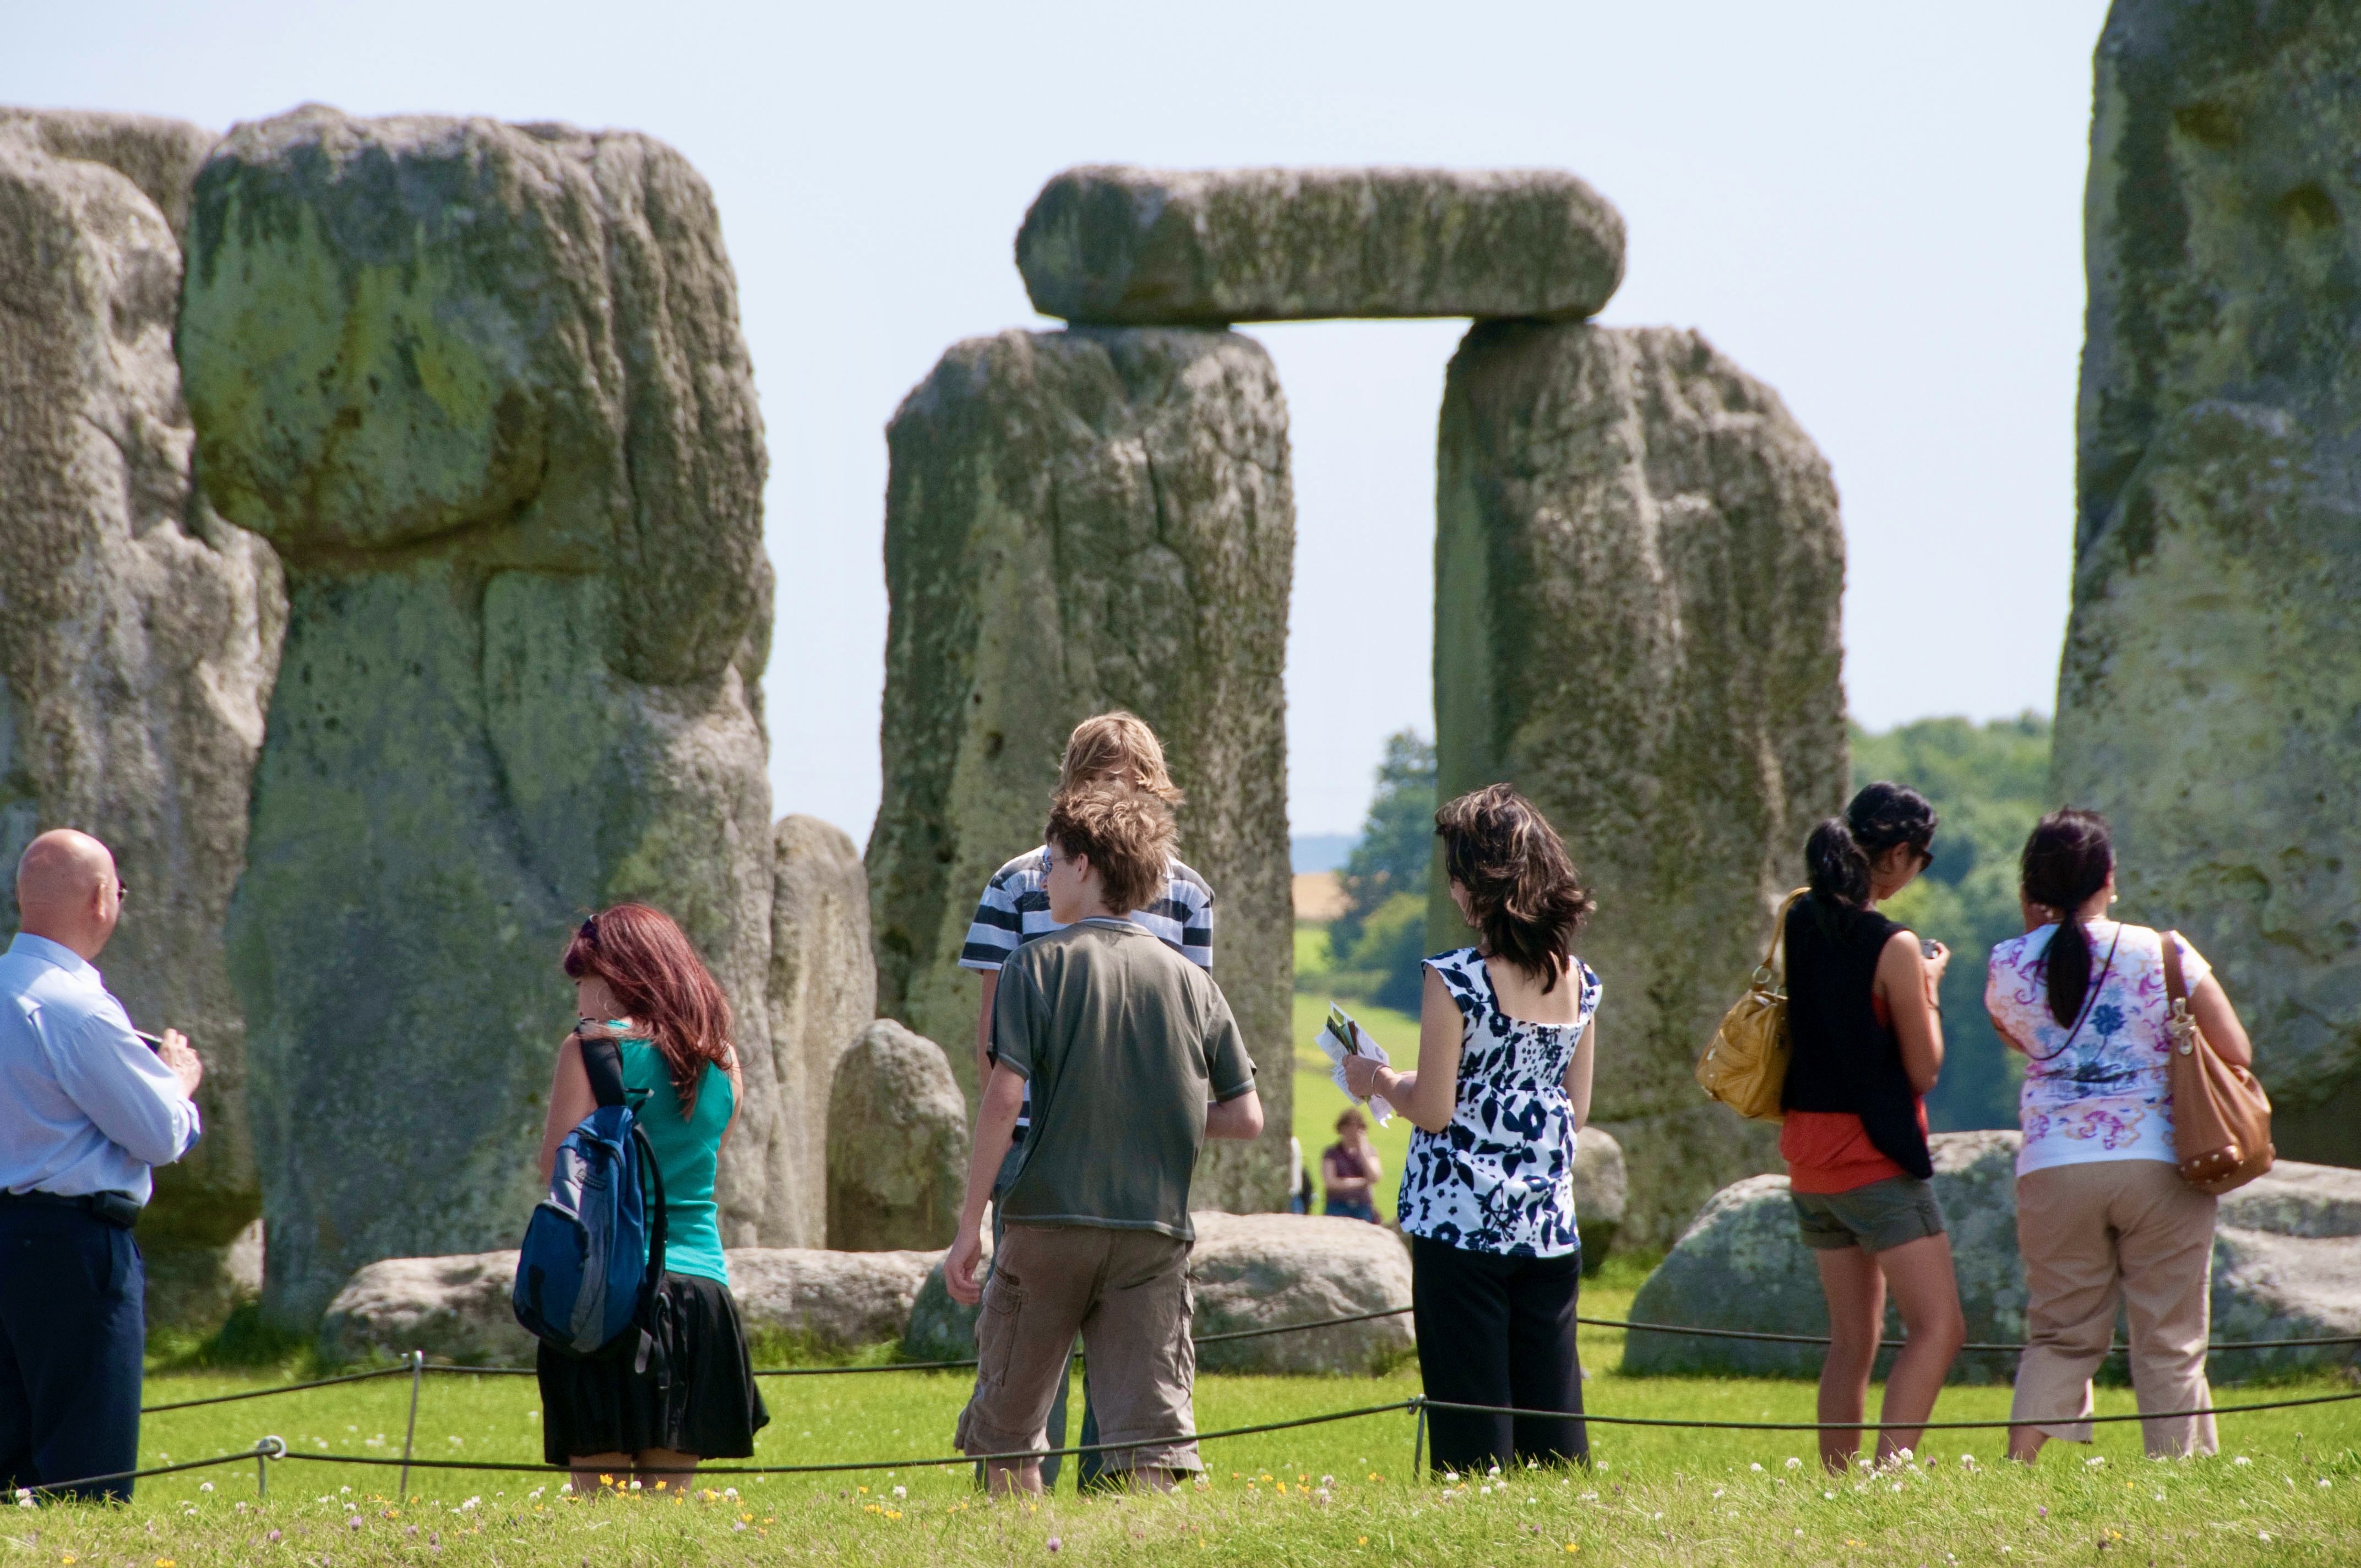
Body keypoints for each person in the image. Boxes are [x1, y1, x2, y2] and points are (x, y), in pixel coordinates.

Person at [945, 783, 1263, 1496]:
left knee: (1011, 1433)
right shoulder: (1195, 984)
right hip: (1153, 1233)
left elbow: (1004, 1096)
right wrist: (1156, 1113)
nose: (1044, 879)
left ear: (1084, 865)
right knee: (1153, 1440)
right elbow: (1246, 1118)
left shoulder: (1033, 965)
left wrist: (970, 1225)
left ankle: (1017, 1544)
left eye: (1052, 863)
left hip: (1047, 1222)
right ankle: (1154, 1544)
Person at [1343, 783, 1598, 1475]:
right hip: (1547, 1222)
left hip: (1458, 1222)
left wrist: (1375, 1078)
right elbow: (1575, 1111)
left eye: (1454, 874)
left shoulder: (1453, 979)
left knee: (1470, 1427)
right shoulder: (1580, 982)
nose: (1451, 888)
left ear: (1475, 885)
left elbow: (1432, 1107)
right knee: (1552, 1421)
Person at [1986, 809, 2251, 1462]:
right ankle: (2178, 1474)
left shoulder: (2007, 963)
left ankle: (2015, 1469)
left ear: (2031, 884)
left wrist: (2034, 925)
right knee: (2169, 1338)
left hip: (2052, 1165)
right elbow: (2236, 1050)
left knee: (2059, 1334)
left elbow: (2018, 1036)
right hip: (2158, 1159)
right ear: (2108, 876)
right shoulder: (2162, 951)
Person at [534, 903, 769, 1496]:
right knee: (665, 1516)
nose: (579, 997)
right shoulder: (723, 1059)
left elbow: (555, 1169)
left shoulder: (587, 1050)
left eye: (584, 979)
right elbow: (702, 1160)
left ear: (618, 976)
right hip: (701, 1293)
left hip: (605, 1292)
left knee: (602, 1513)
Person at [0, 829, 203, 1502]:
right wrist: (176, 1082)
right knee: (86, 1475)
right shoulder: (77, 1009)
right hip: (71, 1245)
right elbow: (159, 1133)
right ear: (101, 898)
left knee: (8, 1461)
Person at [1780, 782, 1967, 1473]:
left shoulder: (1799, 918)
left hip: (1807, 1158)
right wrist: (1928, 985)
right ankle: (1890, 1476)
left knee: (1851, 1339)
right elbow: (1924, 1069)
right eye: (1921, 859)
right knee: (1939, 1326)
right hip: (1873, 1161)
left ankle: (1836, 1480)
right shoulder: (1894, 945)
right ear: (1897, 854)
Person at [1320, 1107, 1383, 1223]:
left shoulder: (1370, 1152)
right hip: (1337, 1205)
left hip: (1363, 1206)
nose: (1354, 1130)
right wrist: (1362, 1182)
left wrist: (1363, 1150)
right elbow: (1331, 1183)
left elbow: (1375, 1177)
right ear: (1342, 1129)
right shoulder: (1332, 1153)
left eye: (1358, 1127)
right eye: (1350, 1126)